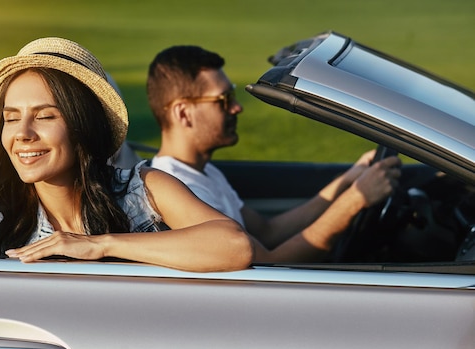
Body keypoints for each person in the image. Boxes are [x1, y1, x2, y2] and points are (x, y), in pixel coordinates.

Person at [0, 37, 253, 272]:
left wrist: (99, 245)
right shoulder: (1, 218)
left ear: (82, 126)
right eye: (10, 119)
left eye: (44, 116)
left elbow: (233, 246)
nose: (22, 134)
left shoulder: (144, 188)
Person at [146, 45, 402, 262]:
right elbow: (269, 262)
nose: (237, 108)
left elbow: (268, 232)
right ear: (183, 113)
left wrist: (348, 180)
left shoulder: (202, 172)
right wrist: (355, 201)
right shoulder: (179, 190)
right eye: (223, 100)